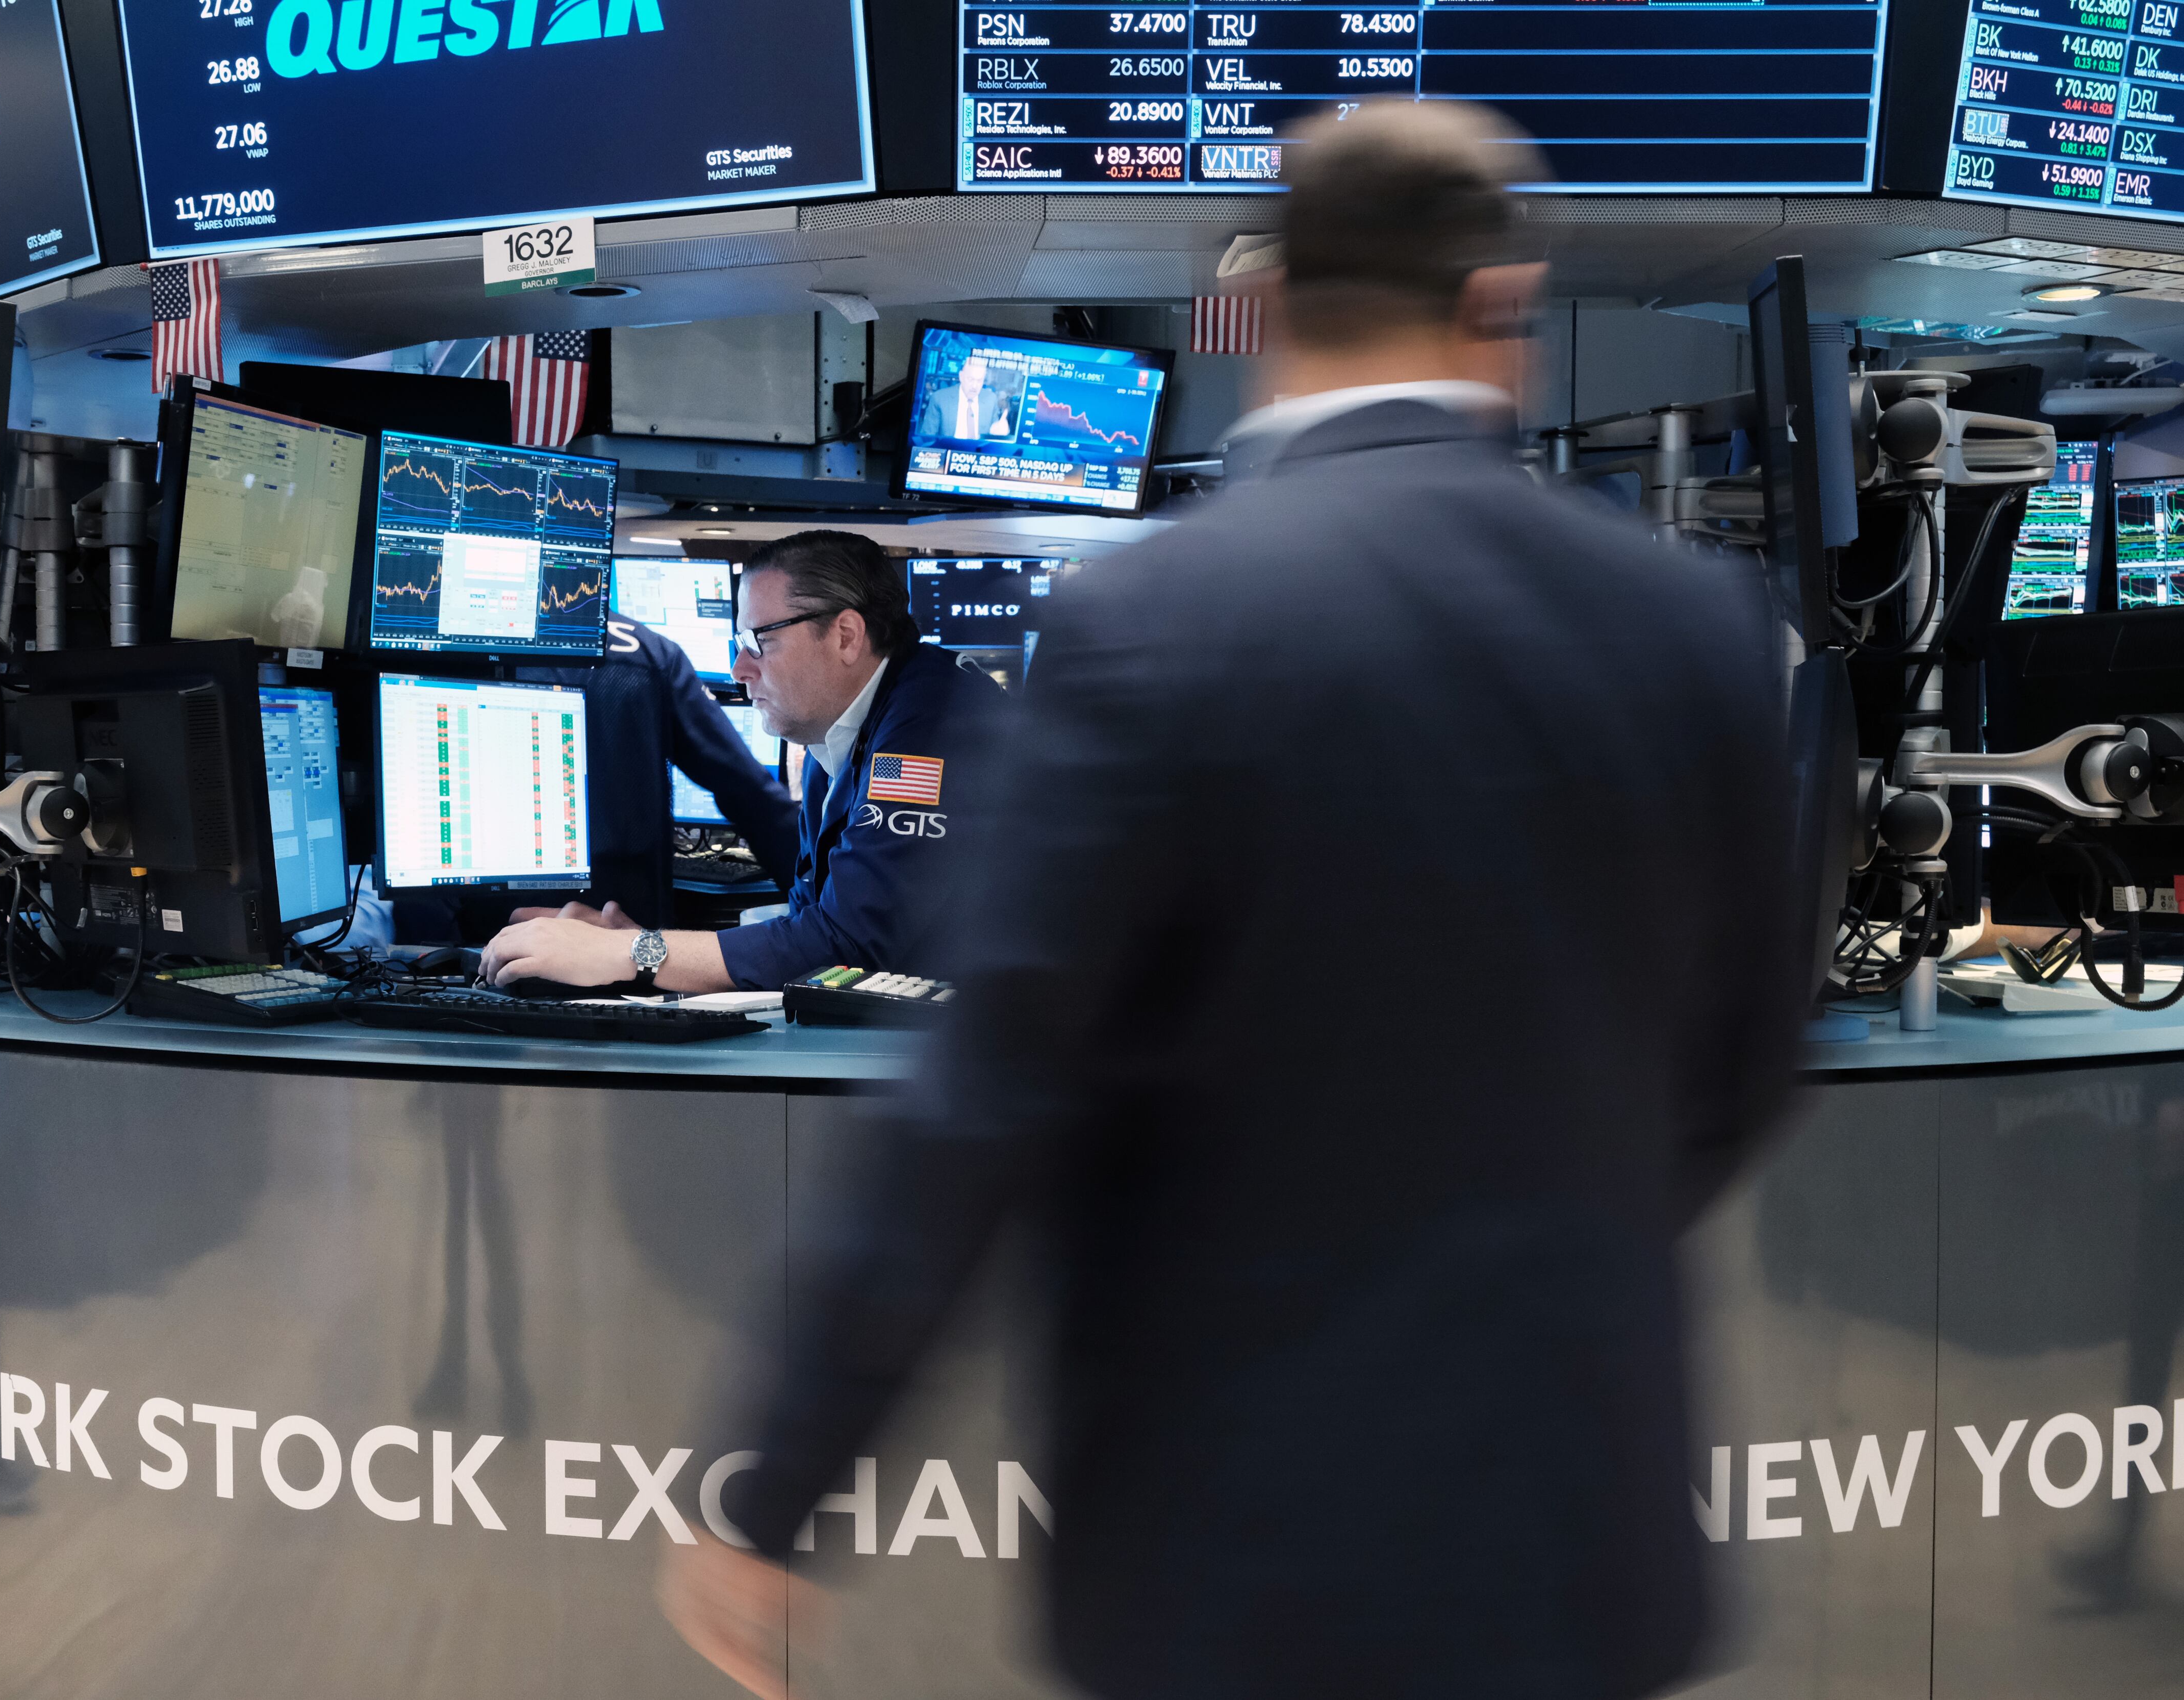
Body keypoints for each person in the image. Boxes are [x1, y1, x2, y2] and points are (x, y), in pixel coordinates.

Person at [658, 100, 1804, 1700]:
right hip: (1569, 1517)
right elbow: (1745, 1063)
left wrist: (777, 1486)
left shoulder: (1155, 620)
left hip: (1239, 1539)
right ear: (1501, 305)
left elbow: (986, 1099)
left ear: (1261, 316)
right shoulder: (1688, 618)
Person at [481, 530, 1008, 993]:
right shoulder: (845, 737)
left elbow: (845, 947)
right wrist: (645, 946)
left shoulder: (936, 726)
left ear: (846, 636)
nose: (738, 669)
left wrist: (633, 954)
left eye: (760, 641)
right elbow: (811, 932)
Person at [391, 612, 796, 943]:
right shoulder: (645, 651)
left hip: (479, 951)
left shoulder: (417, 646)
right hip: (620, 947)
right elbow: (749, 795)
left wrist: (427, 963)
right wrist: (820, 921)